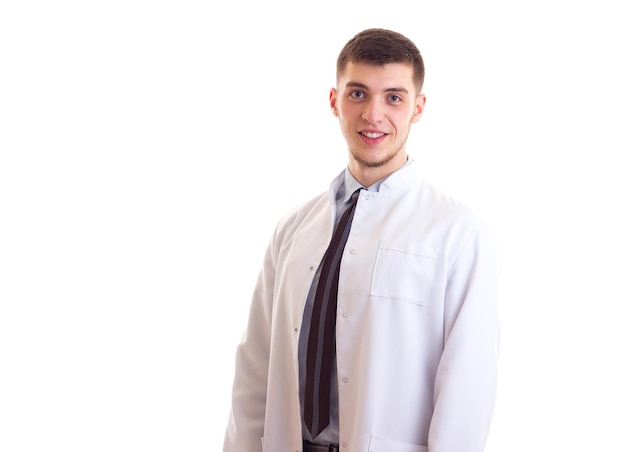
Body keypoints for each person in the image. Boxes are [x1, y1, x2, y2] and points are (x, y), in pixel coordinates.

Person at [223, 28, 500, 452]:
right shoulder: (293, 230)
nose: (373, 114)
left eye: (393, 97)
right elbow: (255, 367)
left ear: (417, 108)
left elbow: (467, 384)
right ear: (334, 101)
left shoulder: (456, 231)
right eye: (357, 94)